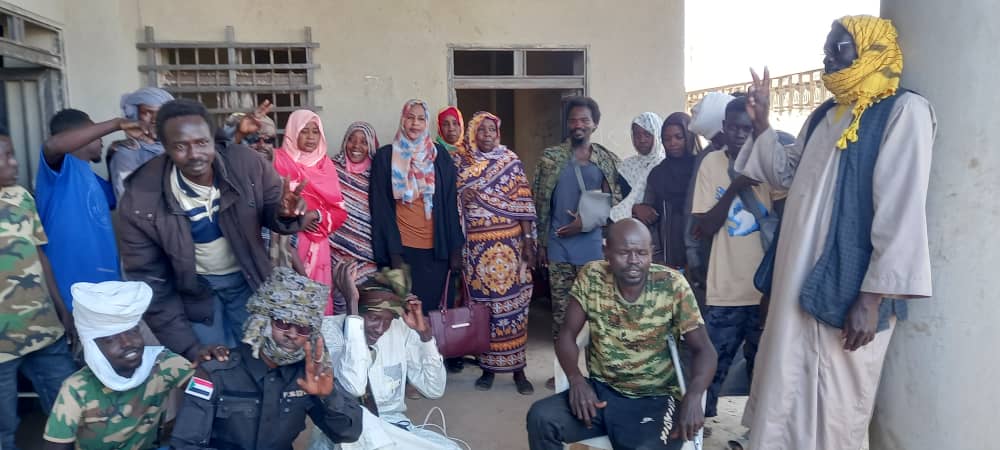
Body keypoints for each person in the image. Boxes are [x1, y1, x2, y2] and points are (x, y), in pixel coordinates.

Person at [737, 16, 936, 450]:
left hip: (847, 285)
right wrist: (762, 125)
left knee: (834, 399)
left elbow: (901, 209)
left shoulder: (903, 111)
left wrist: (872, 297)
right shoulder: (826, 113)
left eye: (839, 48)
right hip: (796, 276)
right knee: (784, 386)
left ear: (870, 50)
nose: (828, 58)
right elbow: (784, 175)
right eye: (827, 49)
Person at [118, 99, 308, 363]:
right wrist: (188, 347)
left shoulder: (246, 164)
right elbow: (150, 281)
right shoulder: (141, 197)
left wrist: (284, 214)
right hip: (195, 292)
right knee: (215, 367)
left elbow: (273, 208)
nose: (194, 154)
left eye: (201, 143)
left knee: (262, 361)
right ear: (165, 147)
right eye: (180, 146)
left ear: (213, 139)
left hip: (248, 280)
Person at [525, 219, 716, 449]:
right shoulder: (592, 277)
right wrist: (576, 379)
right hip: (601, 392)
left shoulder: (672, 285)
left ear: (651, 253)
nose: (634, 261)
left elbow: (704, 350)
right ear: (606, 251)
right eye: (624, 253)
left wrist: (694, 395)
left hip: (656, 397)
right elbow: (566, 334)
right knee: (541, 418)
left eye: (641, 253)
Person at [169, 267, 362, 449]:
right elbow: (184, 444)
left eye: (303, 329)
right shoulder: (216, 371)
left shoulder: (308, 374)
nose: (292, 334)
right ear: (262, 321)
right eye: (283, 323)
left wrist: (329, 396)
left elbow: (348, 433)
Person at [42, 281, 228, 450]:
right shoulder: (76, 389)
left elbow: (207, 392)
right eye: (110, 339)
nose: (128, 343)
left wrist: (208, 366)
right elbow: (56, 447)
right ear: (93, 347)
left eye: (132, 332)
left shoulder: (163, 364)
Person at [690, 96, 784, 419]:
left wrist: (776, 284)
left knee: (765, 372)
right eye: (734, 128)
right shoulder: (711, 164)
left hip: (764, 292)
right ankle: (699, 429)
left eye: (747, 128)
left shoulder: (768, 162)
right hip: (725, 290)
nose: (740, 134)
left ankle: (759, 433)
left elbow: (786, 222)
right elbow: (705, 225)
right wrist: (737, 185)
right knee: (710, 369)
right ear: (724, 128)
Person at [310, 262, 460, 450]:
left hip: (393, 428)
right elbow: (354, 385)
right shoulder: (330, 331)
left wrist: (425, 336)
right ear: (357, 310)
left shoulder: (400, 330)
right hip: (350, 434)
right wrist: (352, 309)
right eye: (373, 318)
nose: (380, 329)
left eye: (387, 321)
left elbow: (434, 389)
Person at [0, 126, 78, 450]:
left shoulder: (21, 197)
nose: (14, 162)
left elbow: (39, 254)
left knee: (69, 409)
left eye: (12, 154)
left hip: (44, 329)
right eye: (5, 156)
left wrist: (62, 309)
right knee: (4, 428)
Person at [455, 111, 537, 394]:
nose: (487, 134)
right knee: (483, 310)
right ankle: (488, 369)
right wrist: (461, 196)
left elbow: (524, 202)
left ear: (498, 133)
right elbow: (448, 199)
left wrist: (528, 241)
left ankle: (519, 370)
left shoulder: (510, 161)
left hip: (510, 249)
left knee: (514, 307)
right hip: (477, 250)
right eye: (482, 130)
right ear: (473, 133)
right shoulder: (463, 162)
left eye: (492, 129)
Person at [531, 96, 623, 348]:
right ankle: (564, 360)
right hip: (558, 245)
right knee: (562, 310)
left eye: (584, 120)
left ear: (595, 124)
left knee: (594, 306)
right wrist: (540, 243)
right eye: (573, 120)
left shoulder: (607, 160)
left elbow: (615, 200)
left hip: (593, 246)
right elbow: (539, 202)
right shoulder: (550, 158)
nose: (578, 125)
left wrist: (584, 222)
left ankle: (595, 360)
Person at [370, 99, 464, 313]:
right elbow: (381, 210)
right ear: (403, 120)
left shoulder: (439, 157)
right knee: (405, 314)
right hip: (402, 252)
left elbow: (450, 205)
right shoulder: (386, 158)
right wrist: (393, 254)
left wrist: (455, 248)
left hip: (437, 252)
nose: (415, 123)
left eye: (421, 119)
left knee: (435, 315)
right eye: (410, 118)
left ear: (427, 123)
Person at [37, 109, 135, 311]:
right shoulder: (59, 169)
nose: (101, 139)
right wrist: (116, 124)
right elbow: (52, 145)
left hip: (103, 288)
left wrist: (112, 158)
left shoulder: (89, 175)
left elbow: (114, 200)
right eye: (95, 132)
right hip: (71, 291)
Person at [273, 109, 348, 312]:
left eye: (315, 131)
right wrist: (296, 219)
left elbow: (340, 212)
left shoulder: (325, 165)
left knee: (318, 304)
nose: (311, 137)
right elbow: (267, 204)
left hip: (318, 243)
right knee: (288, 307)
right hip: (286, 243)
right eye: (304, 131)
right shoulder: (278, 160)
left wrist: (316, 215)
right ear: (293, 131)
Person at [633, 112, 698, 270]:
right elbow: (649, 213)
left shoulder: (701, 168)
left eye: (678, 137)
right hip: (667, 251)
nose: (672, 143)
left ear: (689, 137)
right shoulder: (658, 174)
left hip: (699, 246)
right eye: (667, 139)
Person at [329, 121, 380, 315]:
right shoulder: (331, 169)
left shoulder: (378, 174)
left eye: (364, 141)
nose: (356, 146)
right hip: (335, 253)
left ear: (371, 146)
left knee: (368, 308)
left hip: (368, 256)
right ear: (345, 141)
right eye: (352, 139)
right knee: (340, 306)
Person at [108, 87, 175, 199]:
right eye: (147, 113)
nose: (154, 120)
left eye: (161, 113)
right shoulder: (127, 153)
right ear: (135, 114)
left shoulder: (178, 148)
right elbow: (130, 199)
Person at [610, 112, 664, 222]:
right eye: (636, 135)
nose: (642, 140)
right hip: (628, 226)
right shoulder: (626, 166)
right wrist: (634, 208)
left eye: (647, 134)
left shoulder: (665, 164)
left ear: (657, 134)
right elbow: (616, 200)